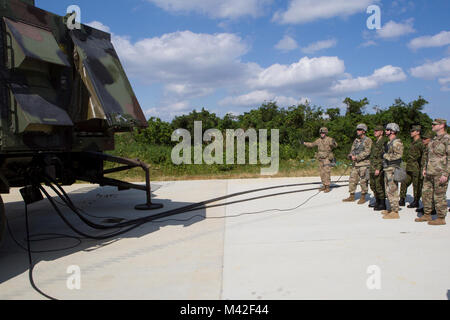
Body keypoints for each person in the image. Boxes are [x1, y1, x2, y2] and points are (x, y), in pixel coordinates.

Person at [415, 119, 449, 226]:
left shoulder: (447, 139)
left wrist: (446, 173)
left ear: (442, 125)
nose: (432, 126)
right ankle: (427, 214)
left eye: (434, 124)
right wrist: (425, 168)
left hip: (440, 172)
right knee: (426, 194)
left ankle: (440, 217)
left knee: (439, 196)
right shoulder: (433, 139)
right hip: (429, 171)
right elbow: (428, 155)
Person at [343, 124, 373, 204]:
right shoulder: (356, 140)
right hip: (355, 164)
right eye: (357, 129)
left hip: (364, 164)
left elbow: (367, 152)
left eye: (359, 130)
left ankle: (363, 196)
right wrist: (350, 155)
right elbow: (352, 150)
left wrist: (357, 157)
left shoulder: (368, 140)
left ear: (363, 131)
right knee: (352, 179)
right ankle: (351, 195)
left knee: (363, 181)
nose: (357, 131)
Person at [304, 128, 338, 193]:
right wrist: (304, 143)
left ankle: (327, 186)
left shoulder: (329, 139)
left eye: (323, 133)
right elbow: (312, 144)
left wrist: (334, 142)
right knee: (321, 172)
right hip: (320, 158)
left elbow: (335, 145)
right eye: (321, 133)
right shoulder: (318, 140)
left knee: (327, 172)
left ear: (326, 133)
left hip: (327, 158)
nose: (322, 134)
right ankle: (324, 185)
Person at [382, 123, 404, 220]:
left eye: (387, 129)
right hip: (388, 168)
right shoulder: (389, 142)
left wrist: (385, 156)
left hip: (393, 168)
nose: (385, 131)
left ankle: (395, 211)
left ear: (393, 131)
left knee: (393, 189)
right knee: (388, 190)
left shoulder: (396, 143)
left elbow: (398, 155)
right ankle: (391, 208)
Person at [399, 125, 425, 208]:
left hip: (416, 168)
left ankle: (416, 201)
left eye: (413, 131)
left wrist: (422, 168)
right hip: (409, 167)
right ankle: (402, 199)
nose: (411, 132)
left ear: (418, 132)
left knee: (416, 185)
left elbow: (423, 156)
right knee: (404, 182)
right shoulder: (412, 142)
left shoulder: (421, 143)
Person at [416, 131, 437, 215]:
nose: (423, 140)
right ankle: (426, 207)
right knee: (425, 191)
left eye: (425, 139)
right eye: (423, 138)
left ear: (431, 139)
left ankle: (432, 208)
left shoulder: (433, 148)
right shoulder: (425, 148)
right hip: (425, 170)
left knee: (431, 191)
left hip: (432, 171)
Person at [369, 125, 387, 211]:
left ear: (381, 132)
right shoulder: (375, 142)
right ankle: (377, 201)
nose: (375, 132)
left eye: (377, 131)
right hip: (372, 166)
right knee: (373, 185)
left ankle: (382, 203)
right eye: (374, 130)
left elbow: (382, 157)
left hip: (378, 167)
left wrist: (379, 168)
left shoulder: (383, 142)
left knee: (379, 185)